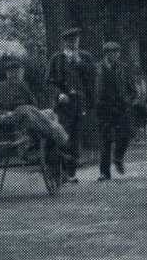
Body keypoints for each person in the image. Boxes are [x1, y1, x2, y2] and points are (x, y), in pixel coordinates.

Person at [48, 27, 91, 181]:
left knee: (76, 138)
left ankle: (71, 173)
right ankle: (61, 172)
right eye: (70, 41)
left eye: (76, 40)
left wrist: (80, 64)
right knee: (62, 136)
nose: (73, 43)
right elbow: (50, 82)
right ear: (64, 42)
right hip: (63, 106)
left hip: (79, 103)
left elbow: (92, 79)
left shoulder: (85, 57)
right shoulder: (56, 59)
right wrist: (59, 94)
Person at [94, 40, 134, 181]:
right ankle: (104, 172)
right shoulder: (97, 69)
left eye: (117, 53)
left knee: (125, 135)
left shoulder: (124, 68)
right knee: (105, 140)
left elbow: (132, 89)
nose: (116, 55)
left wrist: (128, 100)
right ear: (106, 54)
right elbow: (94, 89)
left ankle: (118, 157)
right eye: (113, 53)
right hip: (104, 108)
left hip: (121, 107)